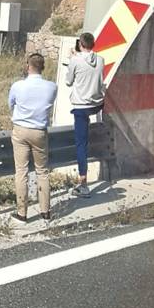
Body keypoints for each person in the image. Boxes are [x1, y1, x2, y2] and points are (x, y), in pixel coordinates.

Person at [8, 52, 58, 222]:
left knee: (21, 171)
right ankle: (45, 211)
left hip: (21, 129)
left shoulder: (17, 85)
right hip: (39, 131)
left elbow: (11, 104)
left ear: (28, 66)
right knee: (42, 171)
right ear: (43, 67)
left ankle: (22, 213)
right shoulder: (52, 87)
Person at [66, 31, 106, 197]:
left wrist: (72, 61)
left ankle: (83, 184)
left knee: (81, 144)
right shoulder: (101, 59)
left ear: (80, 44)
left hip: (81, 106)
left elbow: (68, 82)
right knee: (86, 138)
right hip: (97, 104)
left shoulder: (75, 60)